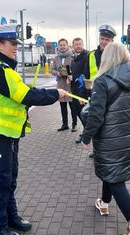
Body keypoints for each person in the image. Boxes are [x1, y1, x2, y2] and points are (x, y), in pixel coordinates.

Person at [0, 24, 67, 235]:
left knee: (9, 179)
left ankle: (11, 218)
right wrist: (57, 93)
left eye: (17, 43)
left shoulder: (3, 67)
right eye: (13, 43)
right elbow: (25, 95)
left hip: (7, 133)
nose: (16, 47)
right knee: (0, 181)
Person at [81, 42, 130, 235]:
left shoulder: (102, 80)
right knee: (110, 172)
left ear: (107, 57)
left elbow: (97, 115)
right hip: (127, 135)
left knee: (115, 180)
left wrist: (86, 137)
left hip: (109, 138)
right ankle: (104, 202)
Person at [83, 24, 116, 156]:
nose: (103, 42)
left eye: (107, 40)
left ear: (112, 41)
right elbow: (86, 76)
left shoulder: (115, 55)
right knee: (93, 120)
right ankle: (97, 149)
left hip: (111, 96)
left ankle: (107, 149)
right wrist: (85, 95)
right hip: (94, 94)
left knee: (107, 124)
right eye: (102, 38)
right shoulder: (91, 55)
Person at [51, 38, 77, 132]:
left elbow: (76, 69)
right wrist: (57, 73)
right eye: (60, 45)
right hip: (61, 84)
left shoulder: (72, 56)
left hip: (70, 84)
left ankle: (74, 124)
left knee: (72, 106)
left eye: (64, 45)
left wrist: (71, 75)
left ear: (67, 46)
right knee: (63, 106)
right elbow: (52, 70)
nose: (62, 46)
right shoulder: (56, 58)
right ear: (59, 46)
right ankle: (65, 124)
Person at [67, 38, 88, 143]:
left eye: (80, 44)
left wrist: (74, 77)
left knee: (83, 112)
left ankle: (86, 133)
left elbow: (85, 73)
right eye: (76, 44)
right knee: (77, 111)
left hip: (83, 90)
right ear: (73, 46)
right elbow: (73, 72)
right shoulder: (73, 58)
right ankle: (86, 131)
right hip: (74, 90)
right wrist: (69, 78)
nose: (78, 46)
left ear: (82, 44)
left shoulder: (87, 56)